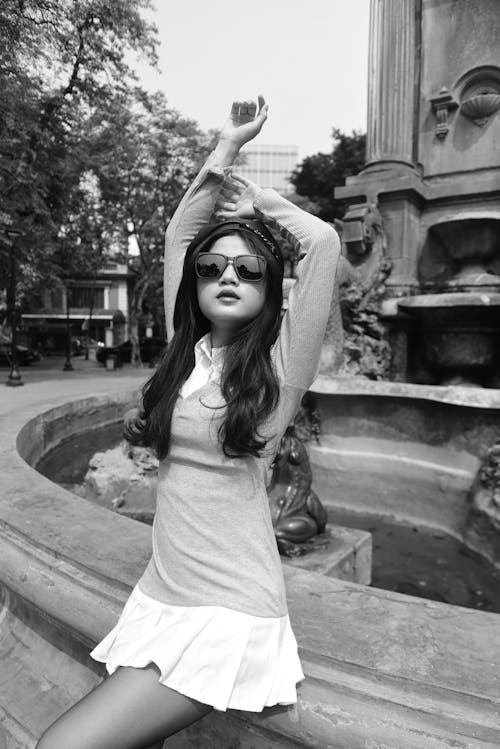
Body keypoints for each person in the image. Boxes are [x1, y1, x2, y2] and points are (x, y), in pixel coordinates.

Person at [36, 96, 340, 749]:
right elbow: (180, 233)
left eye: (247, 268)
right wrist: (223, 149)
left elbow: (323, 242)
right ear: (195, 284)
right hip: (163, 589)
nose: (226, 274)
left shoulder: (276, 372)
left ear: (268, 287)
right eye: (213, 268)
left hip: (225, 607)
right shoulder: (187, 355)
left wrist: (255, 200)